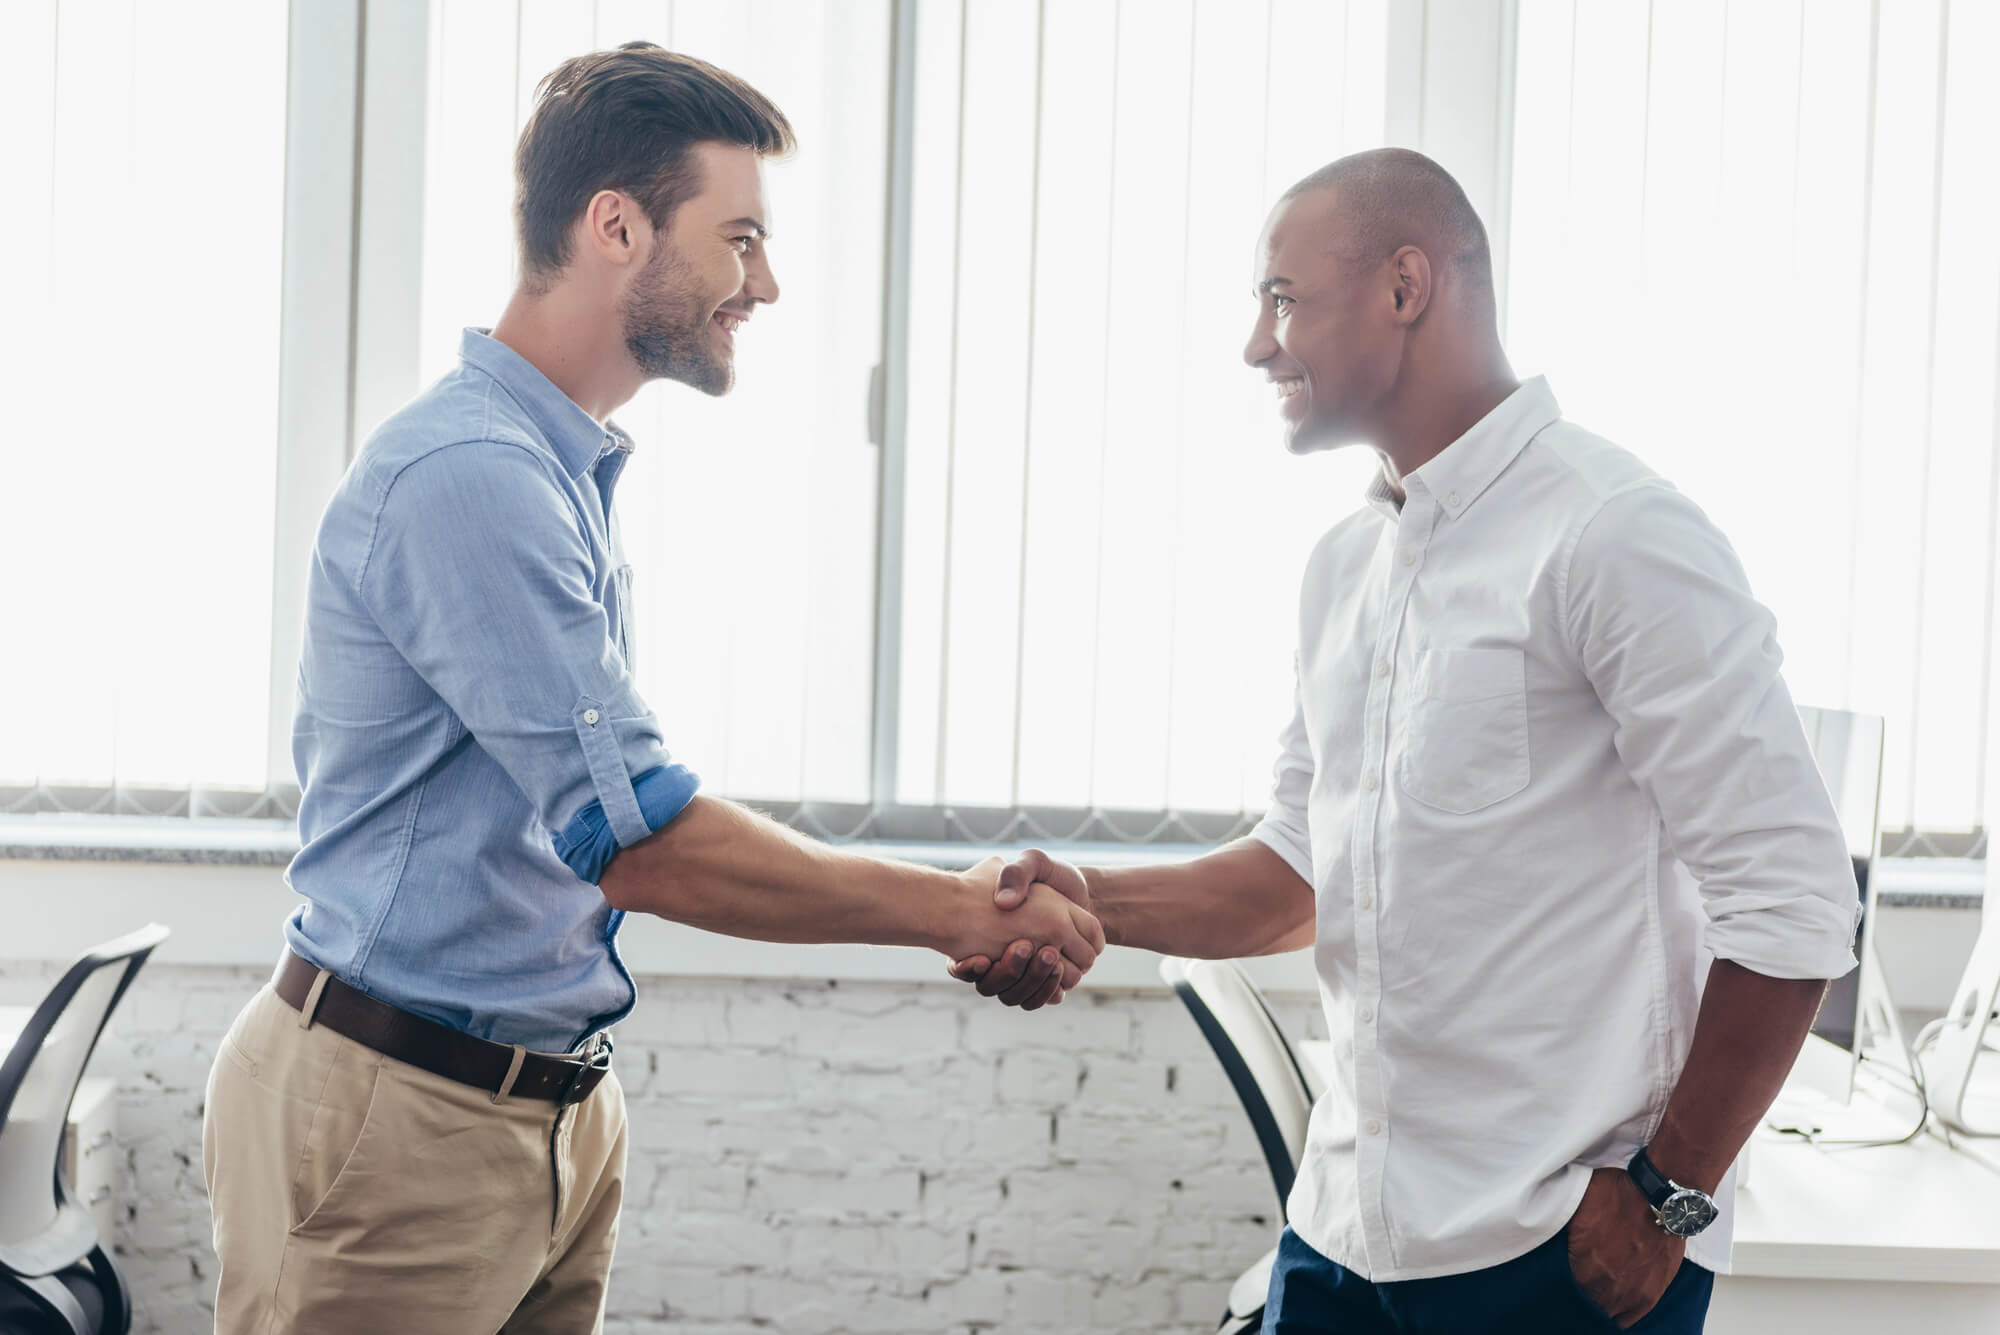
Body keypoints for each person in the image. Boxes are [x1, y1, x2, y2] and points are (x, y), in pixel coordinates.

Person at [202, 44, 1101, 1335]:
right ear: (614, 225)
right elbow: (641, 839)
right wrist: (957, 910)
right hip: (391, 1120)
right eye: (739, 238)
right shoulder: (471, 478)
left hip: (541, 1109)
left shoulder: (553, 475)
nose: (768, 283)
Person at [953, 147, 1858, 1334]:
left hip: (1551, 1257)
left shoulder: (1614, 536)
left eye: (1280, 297)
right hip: (1340, 1237)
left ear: (1403, 286)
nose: (1254, 345)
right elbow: (1294, 878)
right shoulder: (1346, 567)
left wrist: (1668, 1196)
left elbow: (1792, 905)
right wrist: (1086, 898)